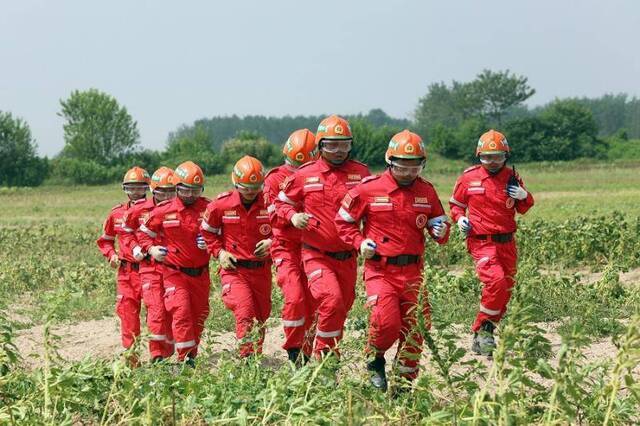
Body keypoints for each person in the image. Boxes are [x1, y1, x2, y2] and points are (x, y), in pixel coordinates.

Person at [335, 130, 450, 391]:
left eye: (415, 167)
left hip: (413, 271)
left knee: (417, 327)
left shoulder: (427, 191)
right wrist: (359, 242)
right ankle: (375, 359)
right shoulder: (368, 189)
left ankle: (403, 383)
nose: (409, 173)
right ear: (390, 162)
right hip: (381, 270)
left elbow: (438, 225)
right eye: (402, 167)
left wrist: (442, 231)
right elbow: (343, 222)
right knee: (386, 322)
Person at [275, 115, 370, 359]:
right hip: (316, 255)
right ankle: (324, 360)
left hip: (348, 257)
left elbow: (373, 210)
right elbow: (281, 204)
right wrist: (293, 217)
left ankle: (322, 354)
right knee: (332, 301)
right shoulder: (305, 174)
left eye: (344, 144)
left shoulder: (361, 173)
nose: (339, 151)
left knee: (341, 309)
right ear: (320, 146)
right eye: (331, 145)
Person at [449, 129, 534, 356]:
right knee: (495, 282)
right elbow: (455, 205)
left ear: (506, 156)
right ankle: (484, 331)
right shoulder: (468, 178)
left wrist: (523, 196)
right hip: (481, 242)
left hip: (507, 242)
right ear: (479, 156)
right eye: (487, 157)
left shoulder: (512, 177)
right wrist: (460, 219)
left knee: (505, 289)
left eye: (497, 156)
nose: (492, 161)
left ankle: (482, 332)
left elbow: (524, 208)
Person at [137, 161, 210, 366]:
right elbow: (144, 234)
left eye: (195, 191)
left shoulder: (208, 208)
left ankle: (191, 353)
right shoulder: (163, 211)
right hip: (174, 273)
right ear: (177, 188)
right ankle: (185, 360)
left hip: (201, 274)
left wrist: (211, 240)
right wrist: (151, 249)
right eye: (186, 190)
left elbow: (221, 231)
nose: (190, 195)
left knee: (199, 315)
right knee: (181, 312)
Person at [201, 156, 273, 357]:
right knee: (245, 311)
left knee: (261, 316)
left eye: (255, 186)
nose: (250, 191)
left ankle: (255, 360)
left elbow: (285, 231)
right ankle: (246, 358)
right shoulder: (220, 205)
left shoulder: (270, 203)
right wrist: (219, 252)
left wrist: (272, 243)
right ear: (235, 182)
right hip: (234, 271)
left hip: (262, 271)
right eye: (245, 187)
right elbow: (206, 232)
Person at [263, 129, 319, 364]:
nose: (298, 169)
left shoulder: (319, 175)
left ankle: (307, 349)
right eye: (294, 163)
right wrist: (292, 216)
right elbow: (272, 214)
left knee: (314, 301)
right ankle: (294, 348)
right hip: (286, 247)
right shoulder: (275, 178)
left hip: (314, 247)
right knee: (295, 298)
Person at [120, 166, 176, 362]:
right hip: (149, 268)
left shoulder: (181, 207)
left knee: (172, 311)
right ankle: (157, 355)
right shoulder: (139, 210)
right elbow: (125, 231)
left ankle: (168, 353)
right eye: (162, 192)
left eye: (171, 191)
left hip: (174, 268)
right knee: (156, 310)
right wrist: (136, 248)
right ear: (153, 190)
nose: (167, 196)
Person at [97, 166, 150, 364]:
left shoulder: (154, 210)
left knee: (156, 316)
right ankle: (132, 361)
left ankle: (160, 358)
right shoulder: (116, 214)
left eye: (139, 187)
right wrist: (111, 255)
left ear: (147, 188)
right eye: (131, 188)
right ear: (124, 189)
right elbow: (106, 239)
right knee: (128, 317)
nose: (135, 192)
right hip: (126, 273)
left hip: (150, 270)